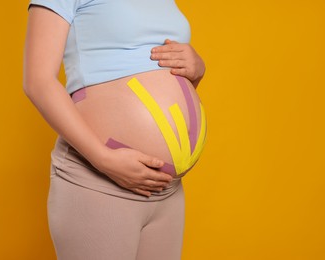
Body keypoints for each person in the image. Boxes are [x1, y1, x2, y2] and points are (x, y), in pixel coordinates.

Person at [23, 0, 207, 259]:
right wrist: (104, 159)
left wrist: (195, 69)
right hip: (99, 180)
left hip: (167, 189)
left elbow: (150, 72)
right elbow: (38, 81)